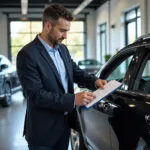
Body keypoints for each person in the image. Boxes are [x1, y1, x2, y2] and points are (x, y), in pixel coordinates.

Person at [17, 3, 107, 150]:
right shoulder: (27, 55)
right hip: (42, 133)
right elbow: (35, 95)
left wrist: (95, 81)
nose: (65, 36)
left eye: (67, 31)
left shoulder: (62, 49)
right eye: (62, 30)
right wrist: (73, 100)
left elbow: (76, 73)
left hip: (64, 126)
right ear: (47, 26)